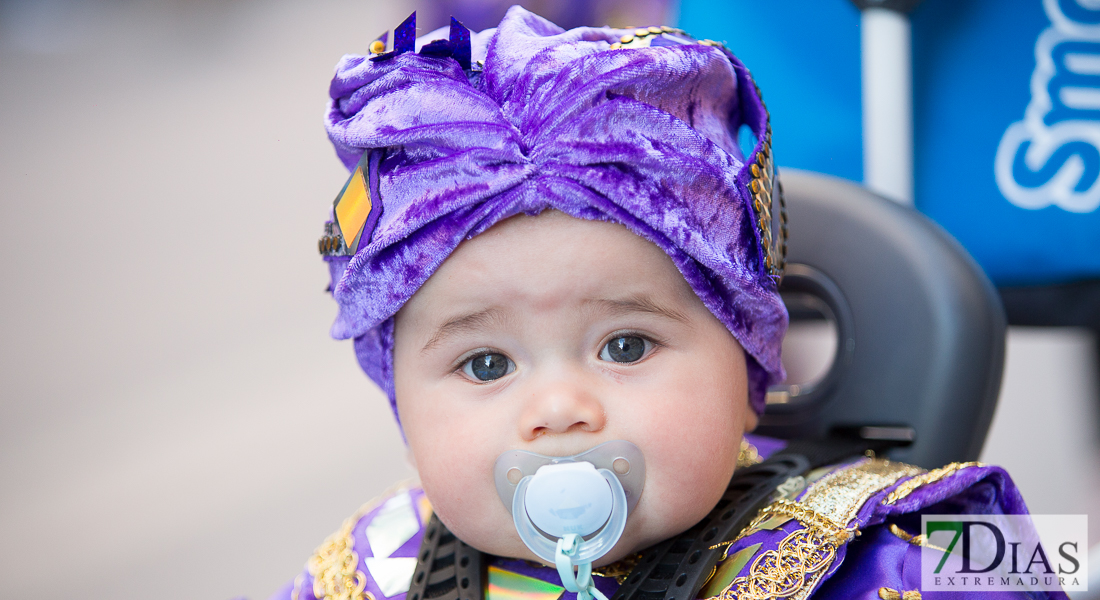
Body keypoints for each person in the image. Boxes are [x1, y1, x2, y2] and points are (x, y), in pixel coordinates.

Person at [273, 7, 1067, 600]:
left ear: (749, 353)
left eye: (625, 346)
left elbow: (1052, 558)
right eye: (485, 363)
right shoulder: (366, 569)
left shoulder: (897, 554)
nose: (559, 410)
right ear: (402, 407)